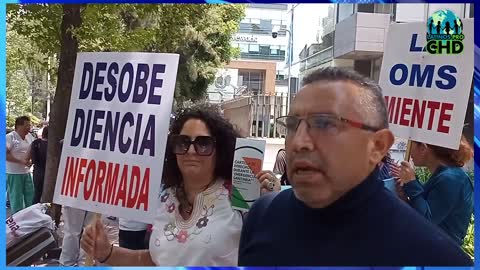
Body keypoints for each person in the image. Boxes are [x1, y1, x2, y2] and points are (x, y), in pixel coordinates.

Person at [238, 67, 472, 266]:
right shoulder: (263, 216)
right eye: (292, 124)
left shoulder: (432, 255)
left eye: (324, 124)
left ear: (378, 146)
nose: (299, 142)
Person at [81, 104, 279, 266]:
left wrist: (271, 200)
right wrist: (107, 253)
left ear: (220, 150)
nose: (191, 151)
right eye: (182, 142)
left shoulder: (239, 196)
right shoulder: (164, 198)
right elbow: (153, 260)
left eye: (203, 143)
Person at [395, 137, 474, 246]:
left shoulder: (451, 178)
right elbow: (425, 210)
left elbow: (427, 222)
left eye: (411, 143)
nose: (408, 147)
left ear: (423, 148)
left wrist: (412, 183)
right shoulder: (446, 175)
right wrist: (405, 198)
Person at [6, 116, 35, 214]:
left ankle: (30, 217)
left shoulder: (29, 137)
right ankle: (17, 220)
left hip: (26, 172)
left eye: (29, 125)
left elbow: (33, 149)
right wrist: (21, 161)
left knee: (30, 197)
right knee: (16, 199)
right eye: (26, 125)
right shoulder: (10, 137)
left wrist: (31, 160)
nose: (29, 127)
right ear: (19, 126)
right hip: (14, 173)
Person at [29, 126, 48, 204]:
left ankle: (34, 210)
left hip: (37, 171)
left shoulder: (36, 143)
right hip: (48, 173)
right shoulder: (53, 145)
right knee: (47, 196)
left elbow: (33, 159)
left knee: (37, 194)